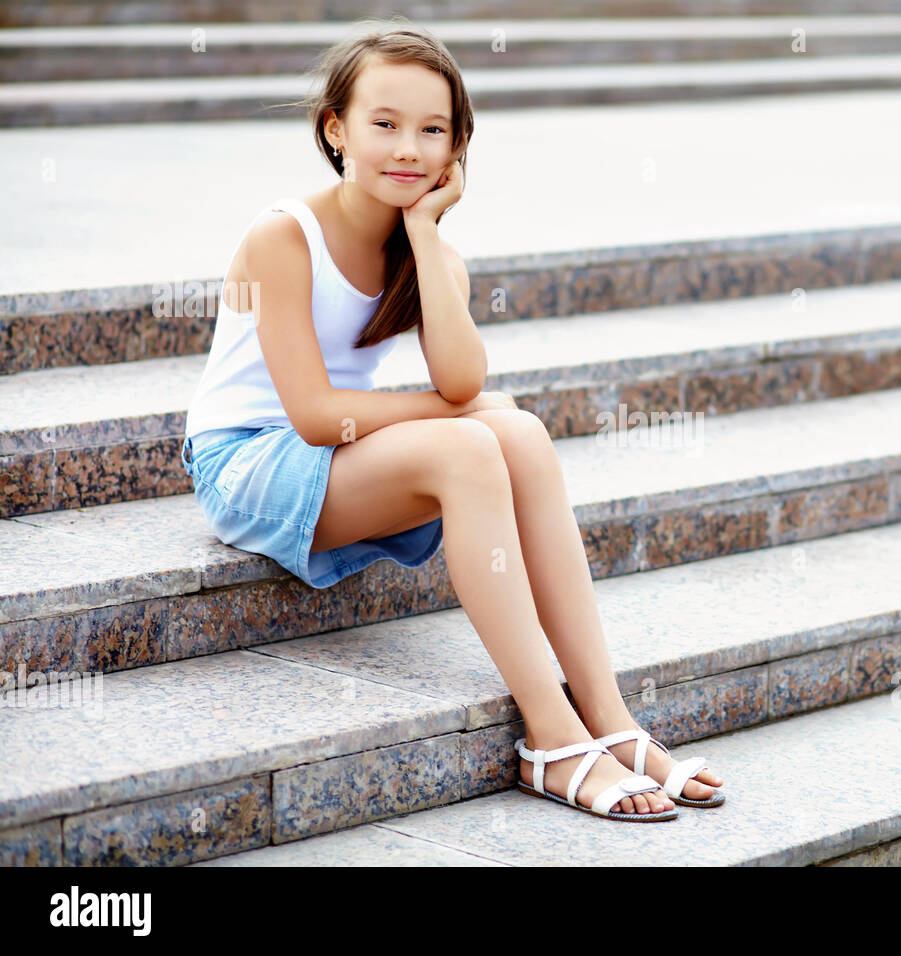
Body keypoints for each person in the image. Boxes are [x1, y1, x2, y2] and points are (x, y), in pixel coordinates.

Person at [179, 22, 723, 822]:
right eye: (385, 123)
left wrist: (427, 235)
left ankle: (609, 719)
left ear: (458, 146)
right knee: (471, 443)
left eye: (433, 130)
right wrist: (455, 411)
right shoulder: (281, 236)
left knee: (522, 435)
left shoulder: (425, 248)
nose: (409, 148)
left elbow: (465, 378)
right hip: (247, 465)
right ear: (336, 129)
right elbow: (319, 415)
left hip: (335, 458)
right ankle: (551, 735)